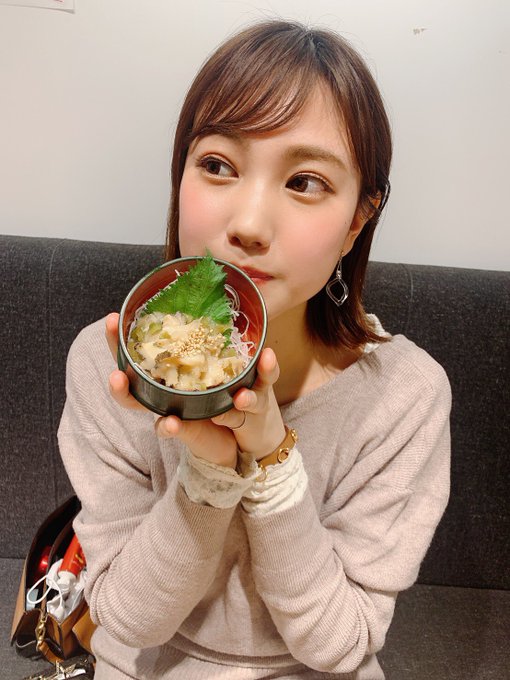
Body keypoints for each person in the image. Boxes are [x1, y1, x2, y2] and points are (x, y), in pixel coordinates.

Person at [58, 19, 451, 680]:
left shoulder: (404, 395)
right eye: (218, 166)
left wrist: (268, 454)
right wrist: (209, 476)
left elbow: (340, 643)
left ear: (358, 219)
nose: (247, 224)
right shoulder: (106, 365)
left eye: (305, 182)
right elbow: (127, 620)